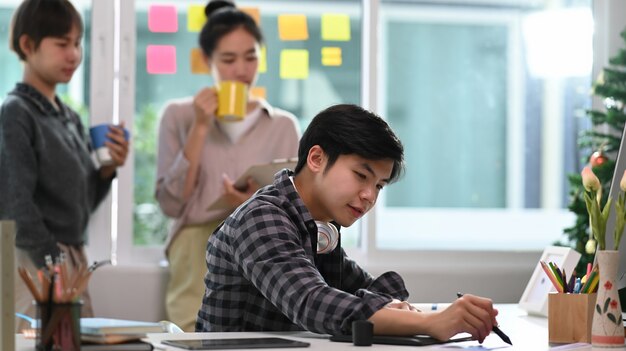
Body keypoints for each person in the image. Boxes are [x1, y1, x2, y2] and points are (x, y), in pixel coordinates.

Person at [196, 104, 499, 342]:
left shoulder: (318, 225)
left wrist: (432, 314)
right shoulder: (261, 217)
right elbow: (312, 302)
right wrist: (430, 322)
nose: (369, 196)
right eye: (361, 176)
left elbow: (367, 292)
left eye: (379, 186)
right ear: (316, 159)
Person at [156, 0, 300, 331]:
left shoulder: (282, 126)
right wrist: (201, 126)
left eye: (251, 57)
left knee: (262, 335)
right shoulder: (178, 116)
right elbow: (171, 203)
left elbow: (297, 205)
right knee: (192, 335)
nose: (241, 70)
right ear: (208, 61)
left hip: (263, 243)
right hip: (195, 249)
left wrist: (250, 207)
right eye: (228, 59)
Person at [0, 0, 129, 332]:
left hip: (68, 256)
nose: (74, 54)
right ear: (27, 45)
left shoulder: (70, 118)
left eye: (77, 43)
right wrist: (54, 264)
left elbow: (82, 206)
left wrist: (106, 169)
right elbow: (15, 204)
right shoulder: (17, 112)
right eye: (62, 44)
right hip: (32, 257)